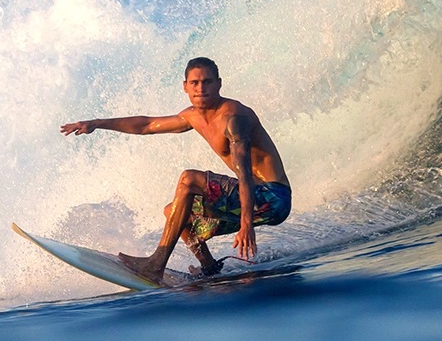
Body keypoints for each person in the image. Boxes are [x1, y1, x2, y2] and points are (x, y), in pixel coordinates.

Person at [60, 57, 291, 284]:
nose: (201, 88)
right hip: (253, 199)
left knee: (188, 179)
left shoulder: (233, 118)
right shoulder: (193, 116)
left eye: (207, 82)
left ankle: (155, 265)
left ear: (219, 83)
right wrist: (97, 123)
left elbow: (243, 175)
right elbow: (146, 125)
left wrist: (246, 224)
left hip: (272, 197)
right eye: (194, 83)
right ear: (185, 86)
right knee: (174, 212)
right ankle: (209, 267)